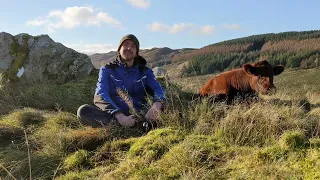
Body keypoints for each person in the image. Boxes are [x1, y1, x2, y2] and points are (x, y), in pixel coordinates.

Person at [77, 34, 166, 129]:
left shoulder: (144, 71)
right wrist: (119, 115)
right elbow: (101, 94)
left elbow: (158, 89)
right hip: (114, 116)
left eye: (133, 46)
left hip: (140, 115)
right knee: (83, 111)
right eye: (126, 44)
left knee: (167, 108)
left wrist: (156, 105)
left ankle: (137, 124)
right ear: (119, 49)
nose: (129, 48)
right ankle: (125, 125)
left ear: (136, 52)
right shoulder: (107, 70)